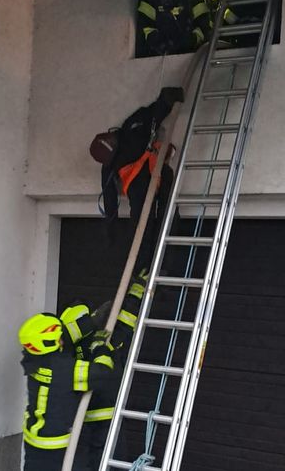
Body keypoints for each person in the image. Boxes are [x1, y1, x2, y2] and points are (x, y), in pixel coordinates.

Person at [60, 270, 148, 471]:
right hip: (107, 419)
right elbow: (125, 323)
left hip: (81, 424)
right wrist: (136, 293)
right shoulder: (102, 341)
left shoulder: (63, 351)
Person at [19, 313, 119, 471]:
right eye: (59, 337)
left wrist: (92, 320)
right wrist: (99, 347)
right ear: (51, 341)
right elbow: (103, 371)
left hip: (34, 443)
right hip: (61, 448)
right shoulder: (68, 369)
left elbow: (67, 334)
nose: (62, 340)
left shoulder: (31, 360)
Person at [101, 87, 184, 272]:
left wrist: (166, 101)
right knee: (153, 223)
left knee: (152, 222)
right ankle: (149, 268)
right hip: (147, 179)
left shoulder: (129, 132)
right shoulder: (115, 150)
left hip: (152, 175)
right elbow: (108, 197)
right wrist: (110, 228)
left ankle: (149, 267)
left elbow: (151, 115)